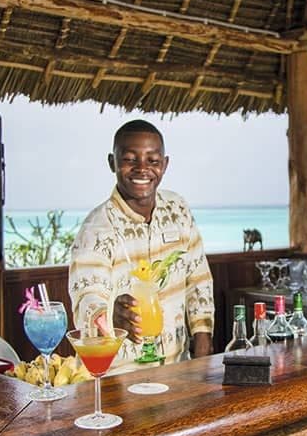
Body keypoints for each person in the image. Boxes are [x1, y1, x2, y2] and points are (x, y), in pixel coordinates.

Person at [69, 120, 214, 374]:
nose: (142, 169)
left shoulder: (177, 209)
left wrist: (202, 342)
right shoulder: (96, 229)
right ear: (112, 162)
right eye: (129, 159)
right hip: (119, 378)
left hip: (176, 368)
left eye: (153, 161)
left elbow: (198, 278)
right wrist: (109, 317)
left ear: (165, 164)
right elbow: (86, 295)